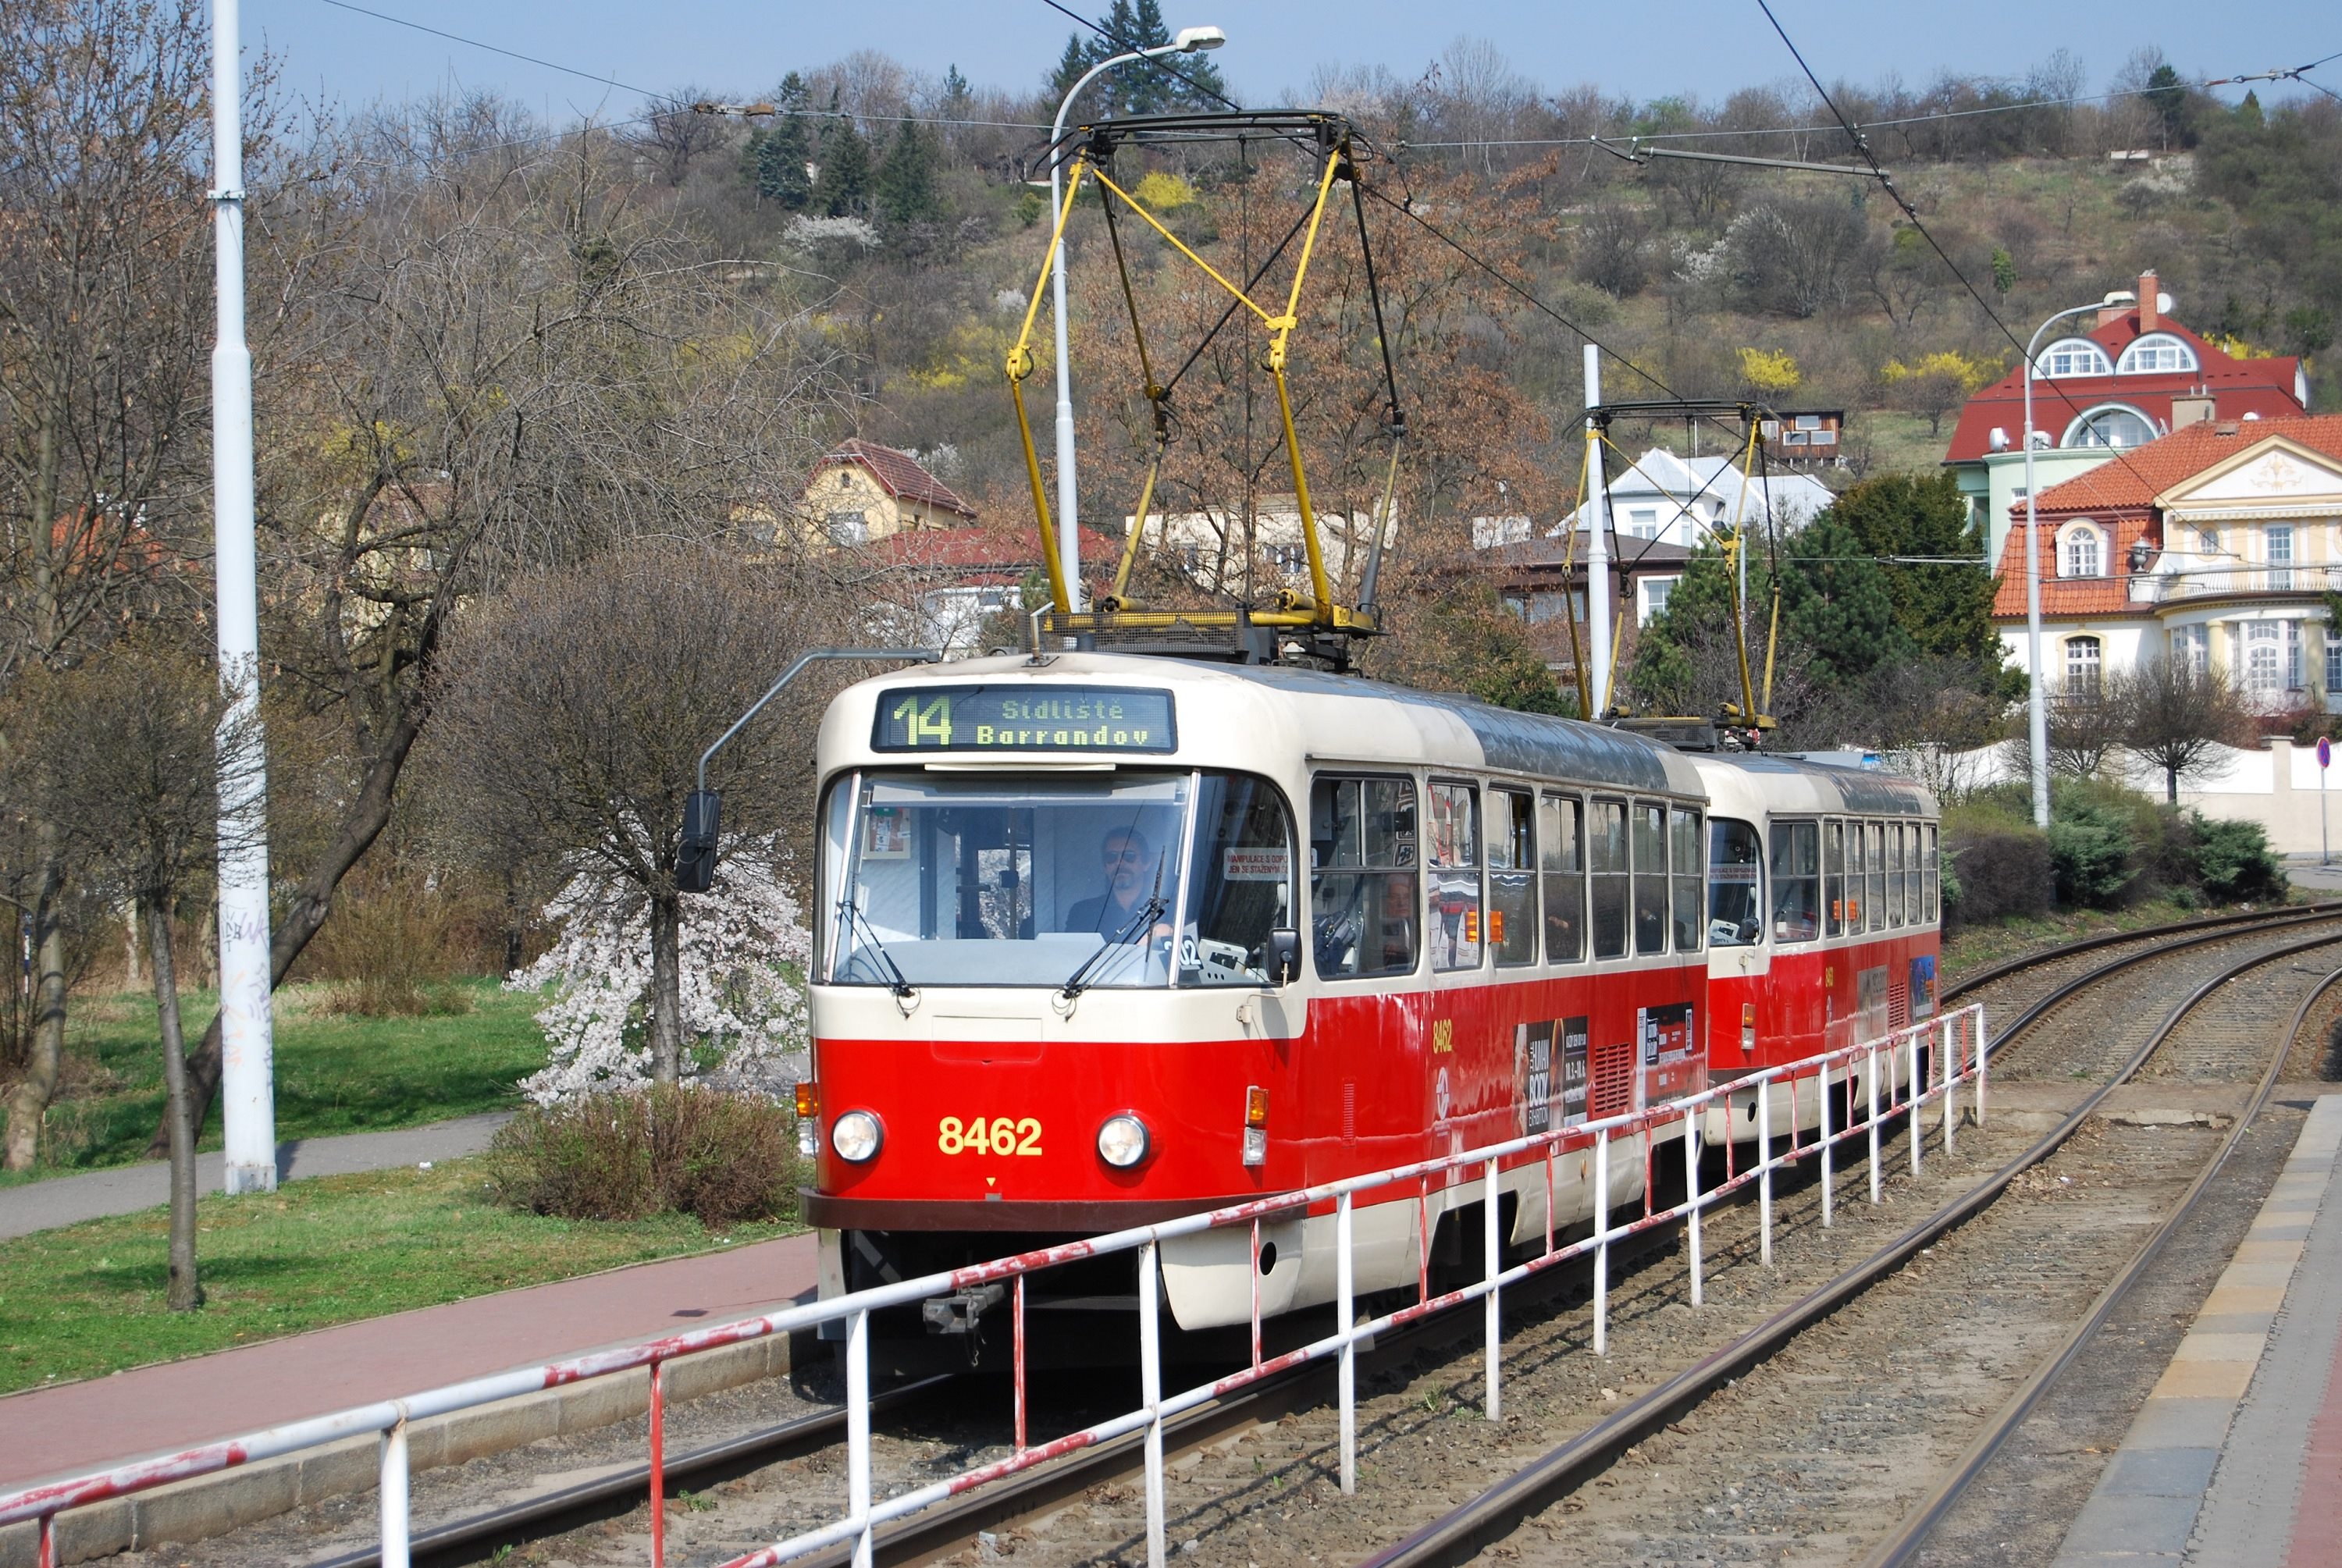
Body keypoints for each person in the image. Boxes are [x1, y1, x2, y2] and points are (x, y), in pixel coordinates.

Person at [1066, 826, 1173, 943]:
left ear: (1147, 863)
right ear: (1105, 867)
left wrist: (1168, 932)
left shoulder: (1168, 909)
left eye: (1129, 856)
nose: (1119, 863)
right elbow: (1070, 956)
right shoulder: (1083, 912)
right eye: (1111, 857)